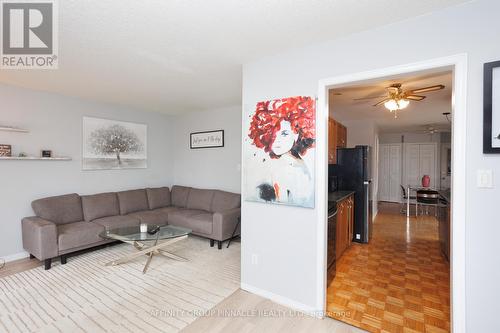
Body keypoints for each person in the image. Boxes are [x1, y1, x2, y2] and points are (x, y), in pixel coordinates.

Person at [248, 96, 315, 206]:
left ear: (296, 134)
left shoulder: (287, 167)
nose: (277, 140)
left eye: (284, 134)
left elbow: (282, 204)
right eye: (272, 135)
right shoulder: (295, 162)